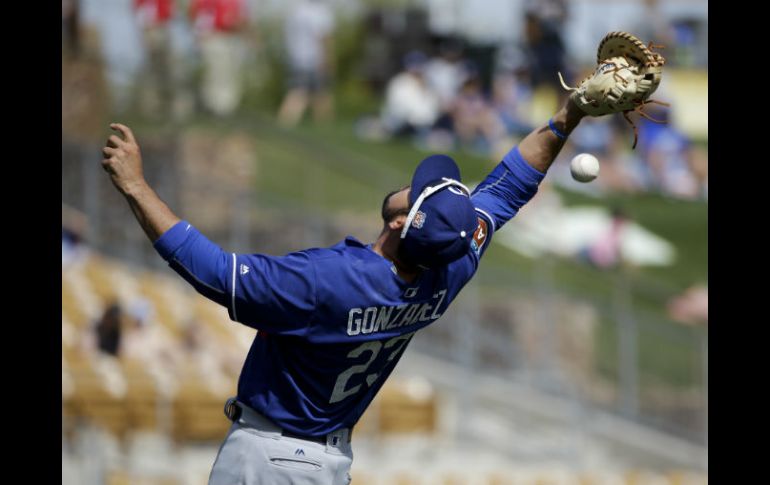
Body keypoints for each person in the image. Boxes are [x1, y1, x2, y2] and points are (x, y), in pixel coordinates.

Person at [101, 93, 588, 483]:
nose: (409, 182)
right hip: (329, 463)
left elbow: (214, 273)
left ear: (400, 220)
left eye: (416, 190)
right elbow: (508, 188)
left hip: (269, 460)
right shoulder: (450, 267)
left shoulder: (330, 281)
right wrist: (570, 115)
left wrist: (137, 187)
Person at [277, 0, 336, 127]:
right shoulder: (320, 13)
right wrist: (328, 59)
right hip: (314, 59)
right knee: (304, 93)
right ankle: (286, 125)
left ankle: (324, 128)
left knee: (319, 94)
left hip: (296, 58)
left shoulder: (297, 10)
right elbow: (323, 38)